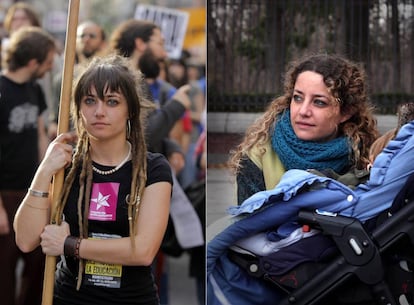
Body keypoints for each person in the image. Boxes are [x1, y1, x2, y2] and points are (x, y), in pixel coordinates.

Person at [13, 55, 173, 305]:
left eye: (112, 102)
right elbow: (25, 240)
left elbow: (143, 251)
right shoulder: (64, 166)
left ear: (129, 109)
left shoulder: (152, 169)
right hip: (68, 298)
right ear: (78, 108)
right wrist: (43, 172)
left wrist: (69, 244)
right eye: (90, 101)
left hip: (132, 300)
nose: (99, 112)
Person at [228, 53, 379, 205]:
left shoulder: (367, 157)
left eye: (319, 102)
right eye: (298, 98)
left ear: (346, 112)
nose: (303, 111)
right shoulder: (259, 155)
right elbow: (249, 224)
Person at [0, 26, 56, 305]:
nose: (49, 68)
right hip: (5, 194)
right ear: (33, 62)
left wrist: (49, 178)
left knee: (39, 263)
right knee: (3, 271)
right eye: (47, 62)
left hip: (32, 192)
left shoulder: (35, 90)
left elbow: (40, 136)